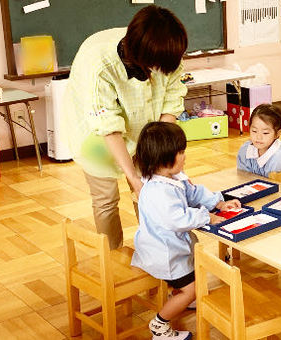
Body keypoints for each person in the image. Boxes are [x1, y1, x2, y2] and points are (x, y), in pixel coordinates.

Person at [61, 5, 189, 249]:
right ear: (144, 59)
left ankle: (157, 251)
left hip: (145, 128)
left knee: (154, 187)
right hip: (97, 136)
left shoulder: (167, 50)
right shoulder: (99, 65)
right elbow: (108, 127)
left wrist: (159, 154)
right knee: (106, 199)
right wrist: (133, 177)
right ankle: (112, 259)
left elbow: (172, 100)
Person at [131, 122, 240, 340]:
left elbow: (193, 193)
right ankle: (160, 325)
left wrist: (217, 202)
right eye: (180, 152)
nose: (184, 156)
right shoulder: (158, 192)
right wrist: (206, 216)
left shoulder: (169, 179)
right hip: (165, 254)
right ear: (164, 158)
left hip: (168, 248)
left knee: (190, 278)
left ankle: (179, 296)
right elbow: (177, 219)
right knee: (194, 288)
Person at [237, 104, 281, 187]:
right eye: (254, 131)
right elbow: (242, 179)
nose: (258, 137)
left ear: (277, 133)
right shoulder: (244, 150)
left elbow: (277, 191)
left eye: (265, 133)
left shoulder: (278, 159)